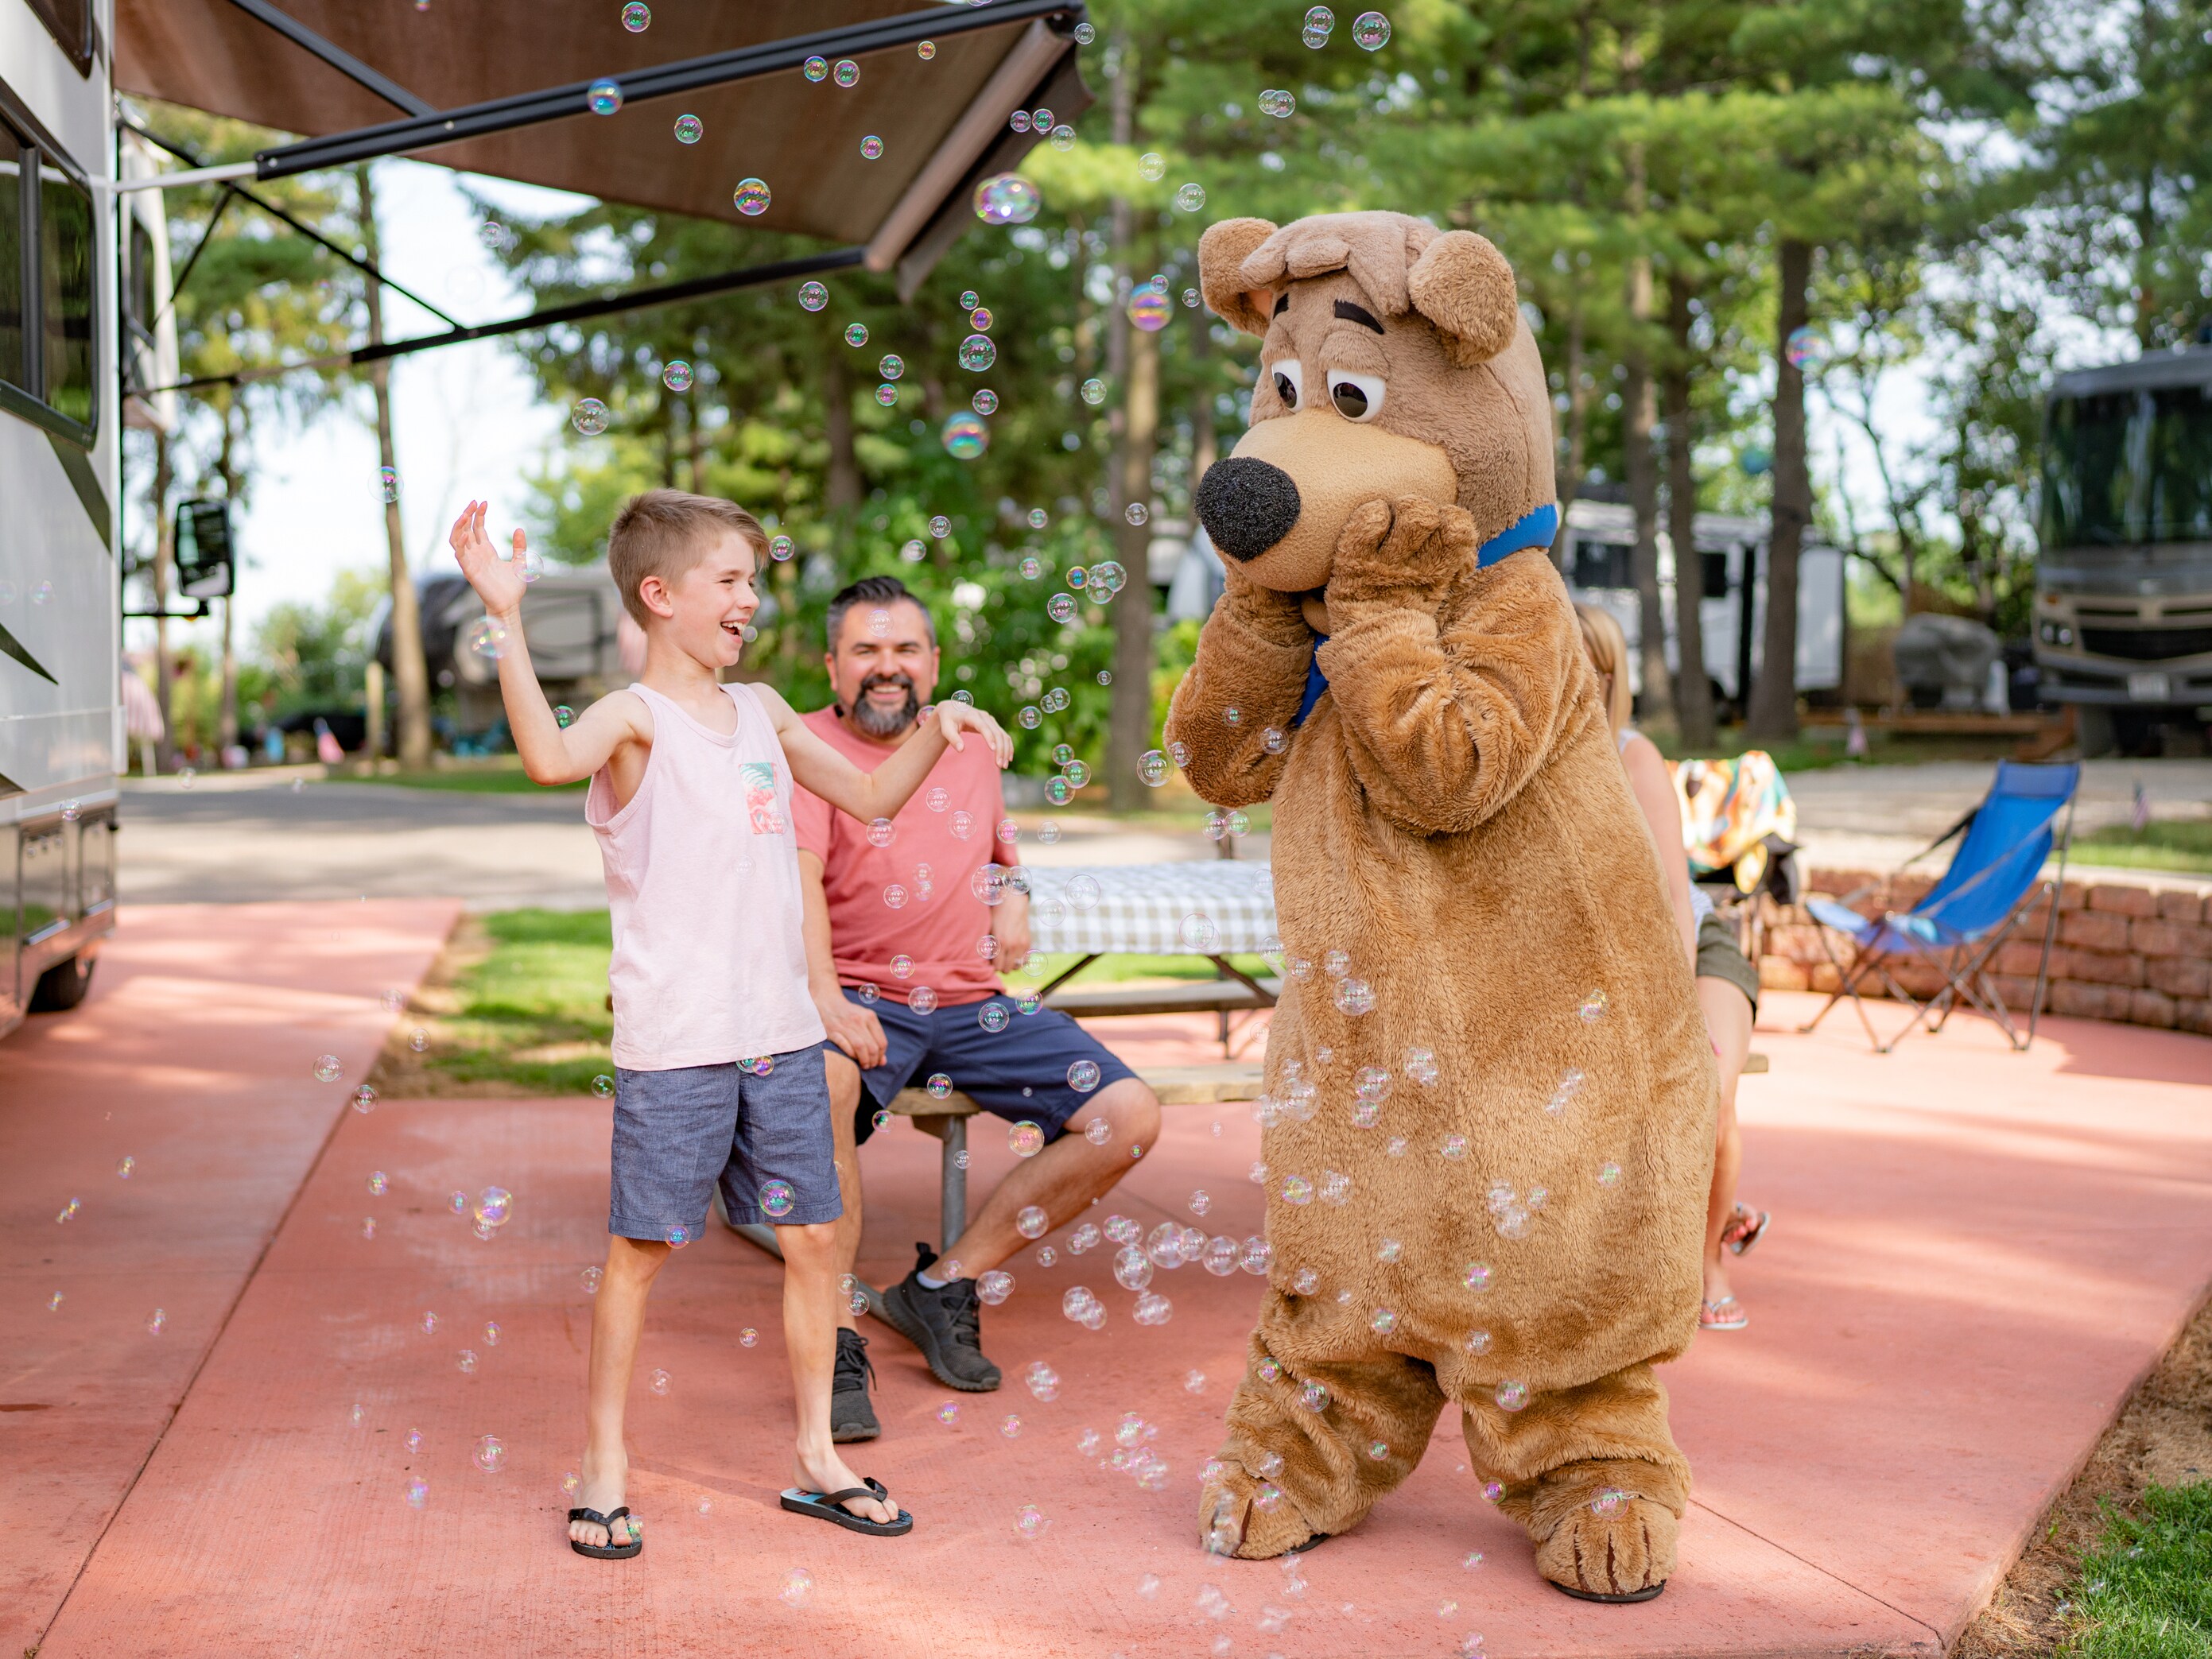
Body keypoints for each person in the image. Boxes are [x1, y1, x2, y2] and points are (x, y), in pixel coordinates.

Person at [446, 492, 1011, 1554]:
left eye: (753, 579)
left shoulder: (761, 711)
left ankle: (815, 1455)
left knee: (811, 1242)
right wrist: (505, 618)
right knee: (642, 1248)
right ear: (659, 596)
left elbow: (873, 791)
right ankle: (604, 1464)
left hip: (781, 1035)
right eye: (730, 579)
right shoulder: (631, 718)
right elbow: (544, 756)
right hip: (677, 1043)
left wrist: (941, 725)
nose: (750, 598)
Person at [790, 576, 1162, 1435]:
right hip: (856, 992)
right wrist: (825, 1001)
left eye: (905, 649)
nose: (888, 668)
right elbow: (800, 880)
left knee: (1129, 1112)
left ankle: (938, 1285)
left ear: (934, 662)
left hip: (968, 1001)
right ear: (832, 665)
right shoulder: (804, 748)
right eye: (866, 650)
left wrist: (1016, 889)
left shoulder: (968, 746)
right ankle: (836, 1334)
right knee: (823, 1085)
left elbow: (995, 852)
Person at [1573, 605, 1770, 1331]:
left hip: (1692, 950)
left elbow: (1673, 897)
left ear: (1610, 677)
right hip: (1599, 968)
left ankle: (1709, 1258)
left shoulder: (1633, 756)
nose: (1572, 680)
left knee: (1709, 1085)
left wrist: (1673, 1004)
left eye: (1588, 667)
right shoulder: (1531, 761)